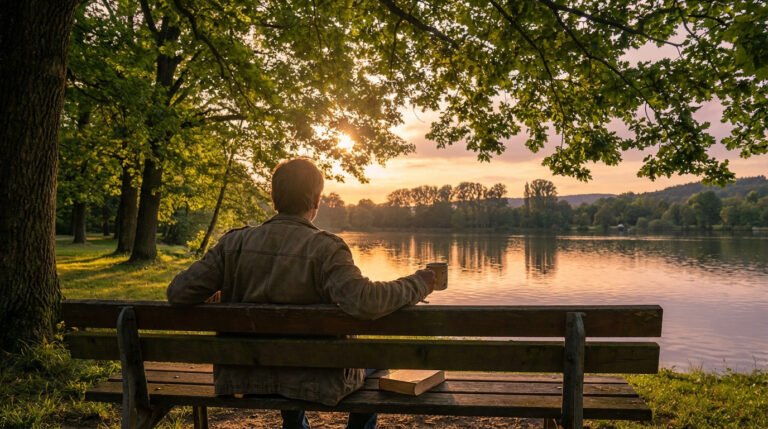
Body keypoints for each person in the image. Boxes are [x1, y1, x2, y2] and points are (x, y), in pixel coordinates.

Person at [167, 157, 436, 429]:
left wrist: (220, 293)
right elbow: (364, 301)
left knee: (284, 360)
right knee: (377, 362)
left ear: (274, 198)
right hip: (316, 381)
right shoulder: (326, 249)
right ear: (316, 201)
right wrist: (419, 283)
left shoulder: (233, 244)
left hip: (244, 376)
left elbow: (179, 293)